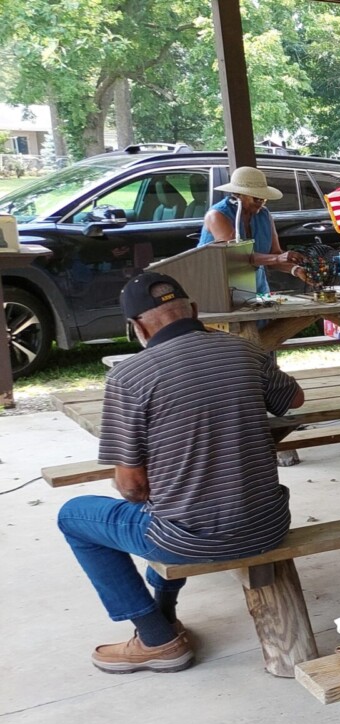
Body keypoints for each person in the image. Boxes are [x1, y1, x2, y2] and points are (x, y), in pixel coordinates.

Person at [58, 272, 305, 673]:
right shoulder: (245, 350)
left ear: (137, 327)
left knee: (74, 516)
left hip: (190, 539)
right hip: (268, 525)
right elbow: (292, 398)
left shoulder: (129, 377)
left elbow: (133, 488)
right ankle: (165, 609)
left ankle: (156, 639)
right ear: (193, 310)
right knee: (178, 506)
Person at [198, 166, 305, 289]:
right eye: (257, 198)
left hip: (256, 284)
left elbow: (273, 256)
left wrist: (296, 270)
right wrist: (277, 258)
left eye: (264, 199)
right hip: (219, 284)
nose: (261, 202)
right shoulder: (217, 215)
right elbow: (236, 257)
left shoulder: (264, 214)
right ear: (238, 195)